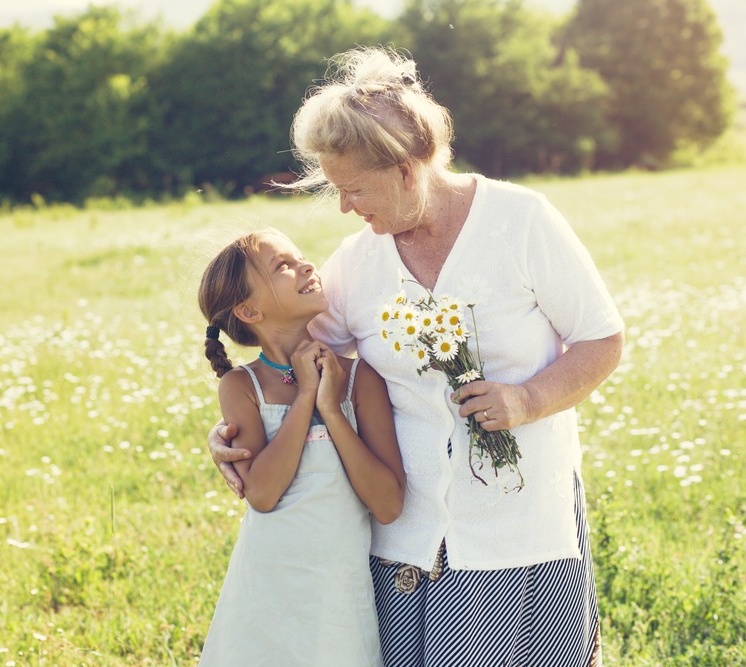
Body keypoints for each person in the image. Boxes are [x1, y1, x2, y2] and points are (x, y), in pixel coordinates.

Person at [208, 47, 623, 666]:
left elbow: (602, 338)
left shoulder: (521, 220)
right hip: (401, 549)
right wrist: (231, 431)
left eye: (352, 189)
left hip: (520, 540)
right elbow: (289, 351)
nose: (345, 207)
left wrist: (526, 399)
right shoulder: (357, 262)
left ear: (405, 170)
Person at [196, 228, 406, 666]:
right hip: (266, 586)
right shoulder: (243, 386)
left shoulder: (358, 378)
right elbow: (263, 494)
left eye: (299, 256)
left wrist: (331, 408)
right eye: (282, 266)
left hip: (338, 593)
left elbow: (387, 505)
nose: (307, 266)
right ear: (249, 309)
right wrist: (306, 395)